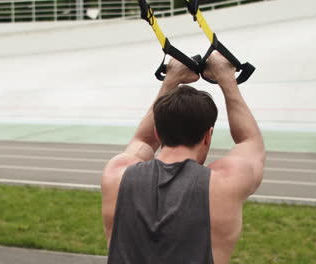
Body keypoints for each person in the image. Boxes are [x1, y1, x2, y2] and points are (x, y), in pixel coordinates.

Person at [101, 51, 265, 264]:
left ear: (158, 133)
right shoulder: (226, 181)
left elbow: (143, 139)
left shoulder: (117, 174)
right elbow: (250, 142)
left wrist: (172, 78)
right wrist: (226, 78)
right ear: (208, 135)